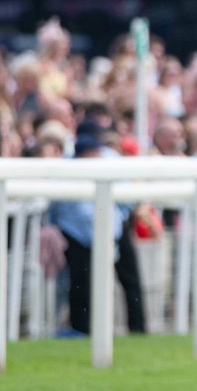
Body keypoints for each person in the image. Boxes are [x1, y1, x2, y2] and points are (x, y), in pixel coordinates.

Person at [45, 127, 145, 336]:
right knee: (81, 286)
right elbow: (60, 208)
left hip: (113, 229)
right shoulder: (68, 169)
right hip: (78, 235)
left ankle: (139, 330)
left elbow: (129, 196)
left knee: (130, 282)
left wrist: (121, 217)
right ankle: (81, 330)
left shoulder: (110, 160)